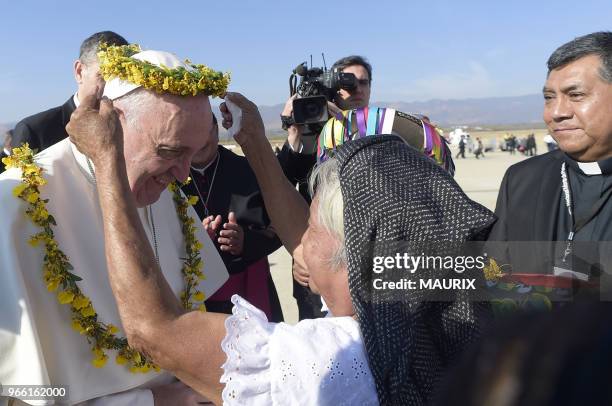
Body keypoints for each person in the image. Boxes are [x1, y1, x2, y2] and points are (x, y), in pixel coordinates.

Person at [67, 88, 495, 405]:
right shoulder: (447, 281)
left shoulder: (341, 357)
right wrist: (254, 140)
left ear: (354, 240)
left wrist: (108, 161)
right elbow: (311, 248)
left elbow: (156, 331)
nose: (301, 245)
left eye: (313, 222)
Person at [0, 46, 230, 405]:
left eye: (194, 153)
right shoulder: (15, 205)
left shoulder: (166, 194)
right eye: (169, 151)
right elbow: (17, 394)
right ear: (113, 122)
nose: (184, 174)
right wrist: (148, 402)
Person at [489, 32, 612, 281]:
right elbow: (494, 268)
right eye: (549, 98)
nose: (556, 113)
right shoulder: (522, 179)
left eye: (576, 95)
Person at [278, 55, 373, 320]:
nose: (357, 89)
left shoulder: (382, 131)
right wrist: (294, 136)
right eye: (348, 83)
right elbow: (282, 187)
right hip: (313, 266)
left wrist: (346, 133)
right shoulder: (313, 130)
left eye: (362, 82)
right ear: (331, 87)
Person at [181, 113, 283, 321]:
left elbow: (282, 227)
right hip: (192, 297)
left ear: (216, 130)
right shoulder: (168, 178)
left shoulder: (250, 169)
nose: (199, 140)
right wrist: (194, 239)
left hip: (249, 293)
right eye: (190, 132)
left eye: (204, 130)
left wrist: (246, 242)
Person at [10, 31, 128, 152]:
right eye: (105, 76)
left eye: (123, 79)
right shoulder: (35, 132)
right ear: (79, 72)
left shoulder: (131, 129)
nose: (114, 87)